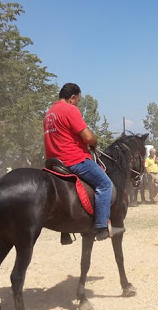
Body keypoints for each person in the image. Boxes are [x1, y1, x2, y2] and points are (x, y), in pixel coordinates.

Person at [44, 83, 122, 241]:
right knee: (105, 184)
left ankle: (65, 231)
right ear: (72, 98)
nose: (77, 103)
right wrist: (94, 142)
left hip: (53, 162)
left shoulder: (49, 113)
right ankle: (101, 227)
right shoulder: (70, 109)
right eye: (78, 100)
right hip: (73, 159)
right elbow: (88, 137)